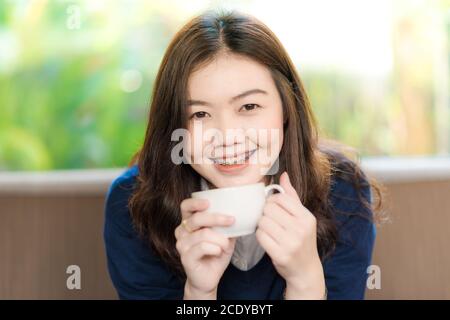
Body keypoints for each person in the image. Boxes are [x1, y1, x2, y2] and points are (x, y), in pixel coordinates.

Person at [104, 10, 382, 300]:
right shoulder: (133, 205)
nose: (227, 136)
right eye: (199, 113)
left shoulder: (342, 190)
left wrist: (305, 281)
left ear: (287, 108)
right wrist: (199, 292)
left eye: (249, 107)